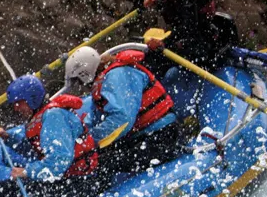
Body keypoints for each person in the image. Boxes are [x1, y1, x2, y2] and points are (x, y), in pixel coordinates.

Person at [0, 75, 99, 197]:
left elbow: (59, 162)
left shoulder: (54, 116)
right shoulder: (41, 117)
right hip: (62, 179)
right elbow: (33, 148)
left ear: (32, 99)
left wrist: (27, 172)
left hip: (80, 182)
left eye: (19, 103)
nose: (16, 108)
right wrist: (8, 137)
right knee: (3, 190)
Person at [67, 45, 183, 180]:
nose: (80, 84)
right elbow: (95, 118)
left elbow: (123, 119)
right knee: (93, 157)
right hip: (145, 134)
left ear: (85, 73)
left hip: (162, 135)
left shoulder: (117, 76)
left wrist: (91, 140)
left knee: (102, 163)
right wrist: (79, 138)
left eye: (78, 80)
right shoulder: (104, 80)